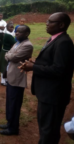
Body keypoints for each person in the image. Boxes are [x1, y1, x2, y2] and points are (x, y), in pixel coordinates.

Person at [20, 12, 74, 144]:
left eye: (50, 21)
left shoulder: (63, 43)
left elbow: (59, 70)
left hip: (54, 96)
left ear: (61, 25)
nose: (46, 24)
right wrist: (34, 64)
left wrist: (33, 68)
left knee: (48, 132)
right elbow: (52, 63)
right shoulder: (55, 39)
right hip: (48, 94)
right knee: (46, 128)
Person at [0, 25, 33, 136]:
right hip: (11, 75)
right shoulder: (17, 42)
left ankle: (13, 128)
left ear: (26, 34)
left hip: (17, 78)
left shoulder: (27, 45)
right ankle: (9, 123)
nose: (16, 33)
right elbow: (8, 54)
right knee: (9, 102)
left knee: (15, 104)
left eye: (19, 32)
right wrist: (9, 55)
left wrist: (9, 55)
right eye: (16, 31)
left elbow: (12, 57)